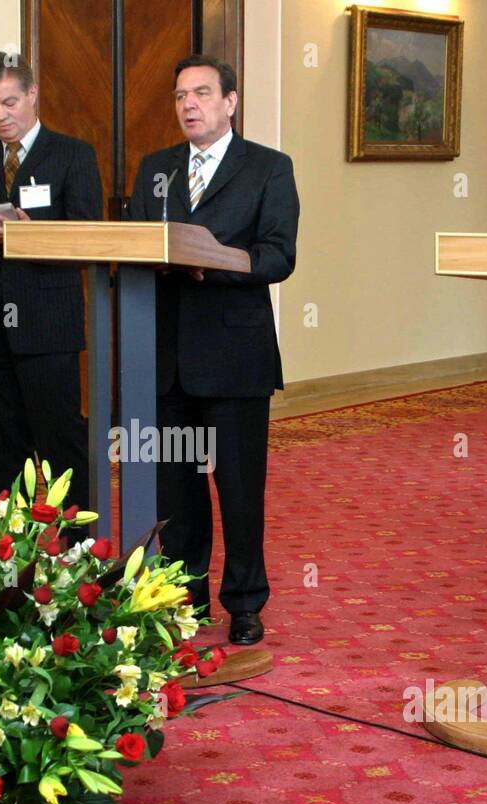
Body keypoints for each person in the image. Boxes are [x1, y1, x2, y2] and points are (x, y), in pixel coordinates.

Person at [125, 55, 299, 646]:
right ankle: (186, 597)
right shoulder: (156, 170)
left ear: (230, 101)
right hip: (168, 357)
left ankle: (245, 602)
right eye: (180, 96)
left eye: (201, 93)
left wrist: (215, 266)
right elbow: (137, 242)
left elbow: (278, 255)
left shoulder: (269, 169)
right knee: (176, 491)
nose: (189, 105)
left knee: (240, 490)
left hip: (233, 358)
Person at [0, 51, 102, 513]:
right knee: (1, 449)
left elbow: (89, 236)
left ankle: (76, 551)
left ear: (32, 94)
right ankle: (10, 552)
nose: (1, 116)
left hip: (47, 325)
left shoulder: (73, 155)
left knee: (60, 447)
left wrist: (29, 232)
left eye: (9, 103)